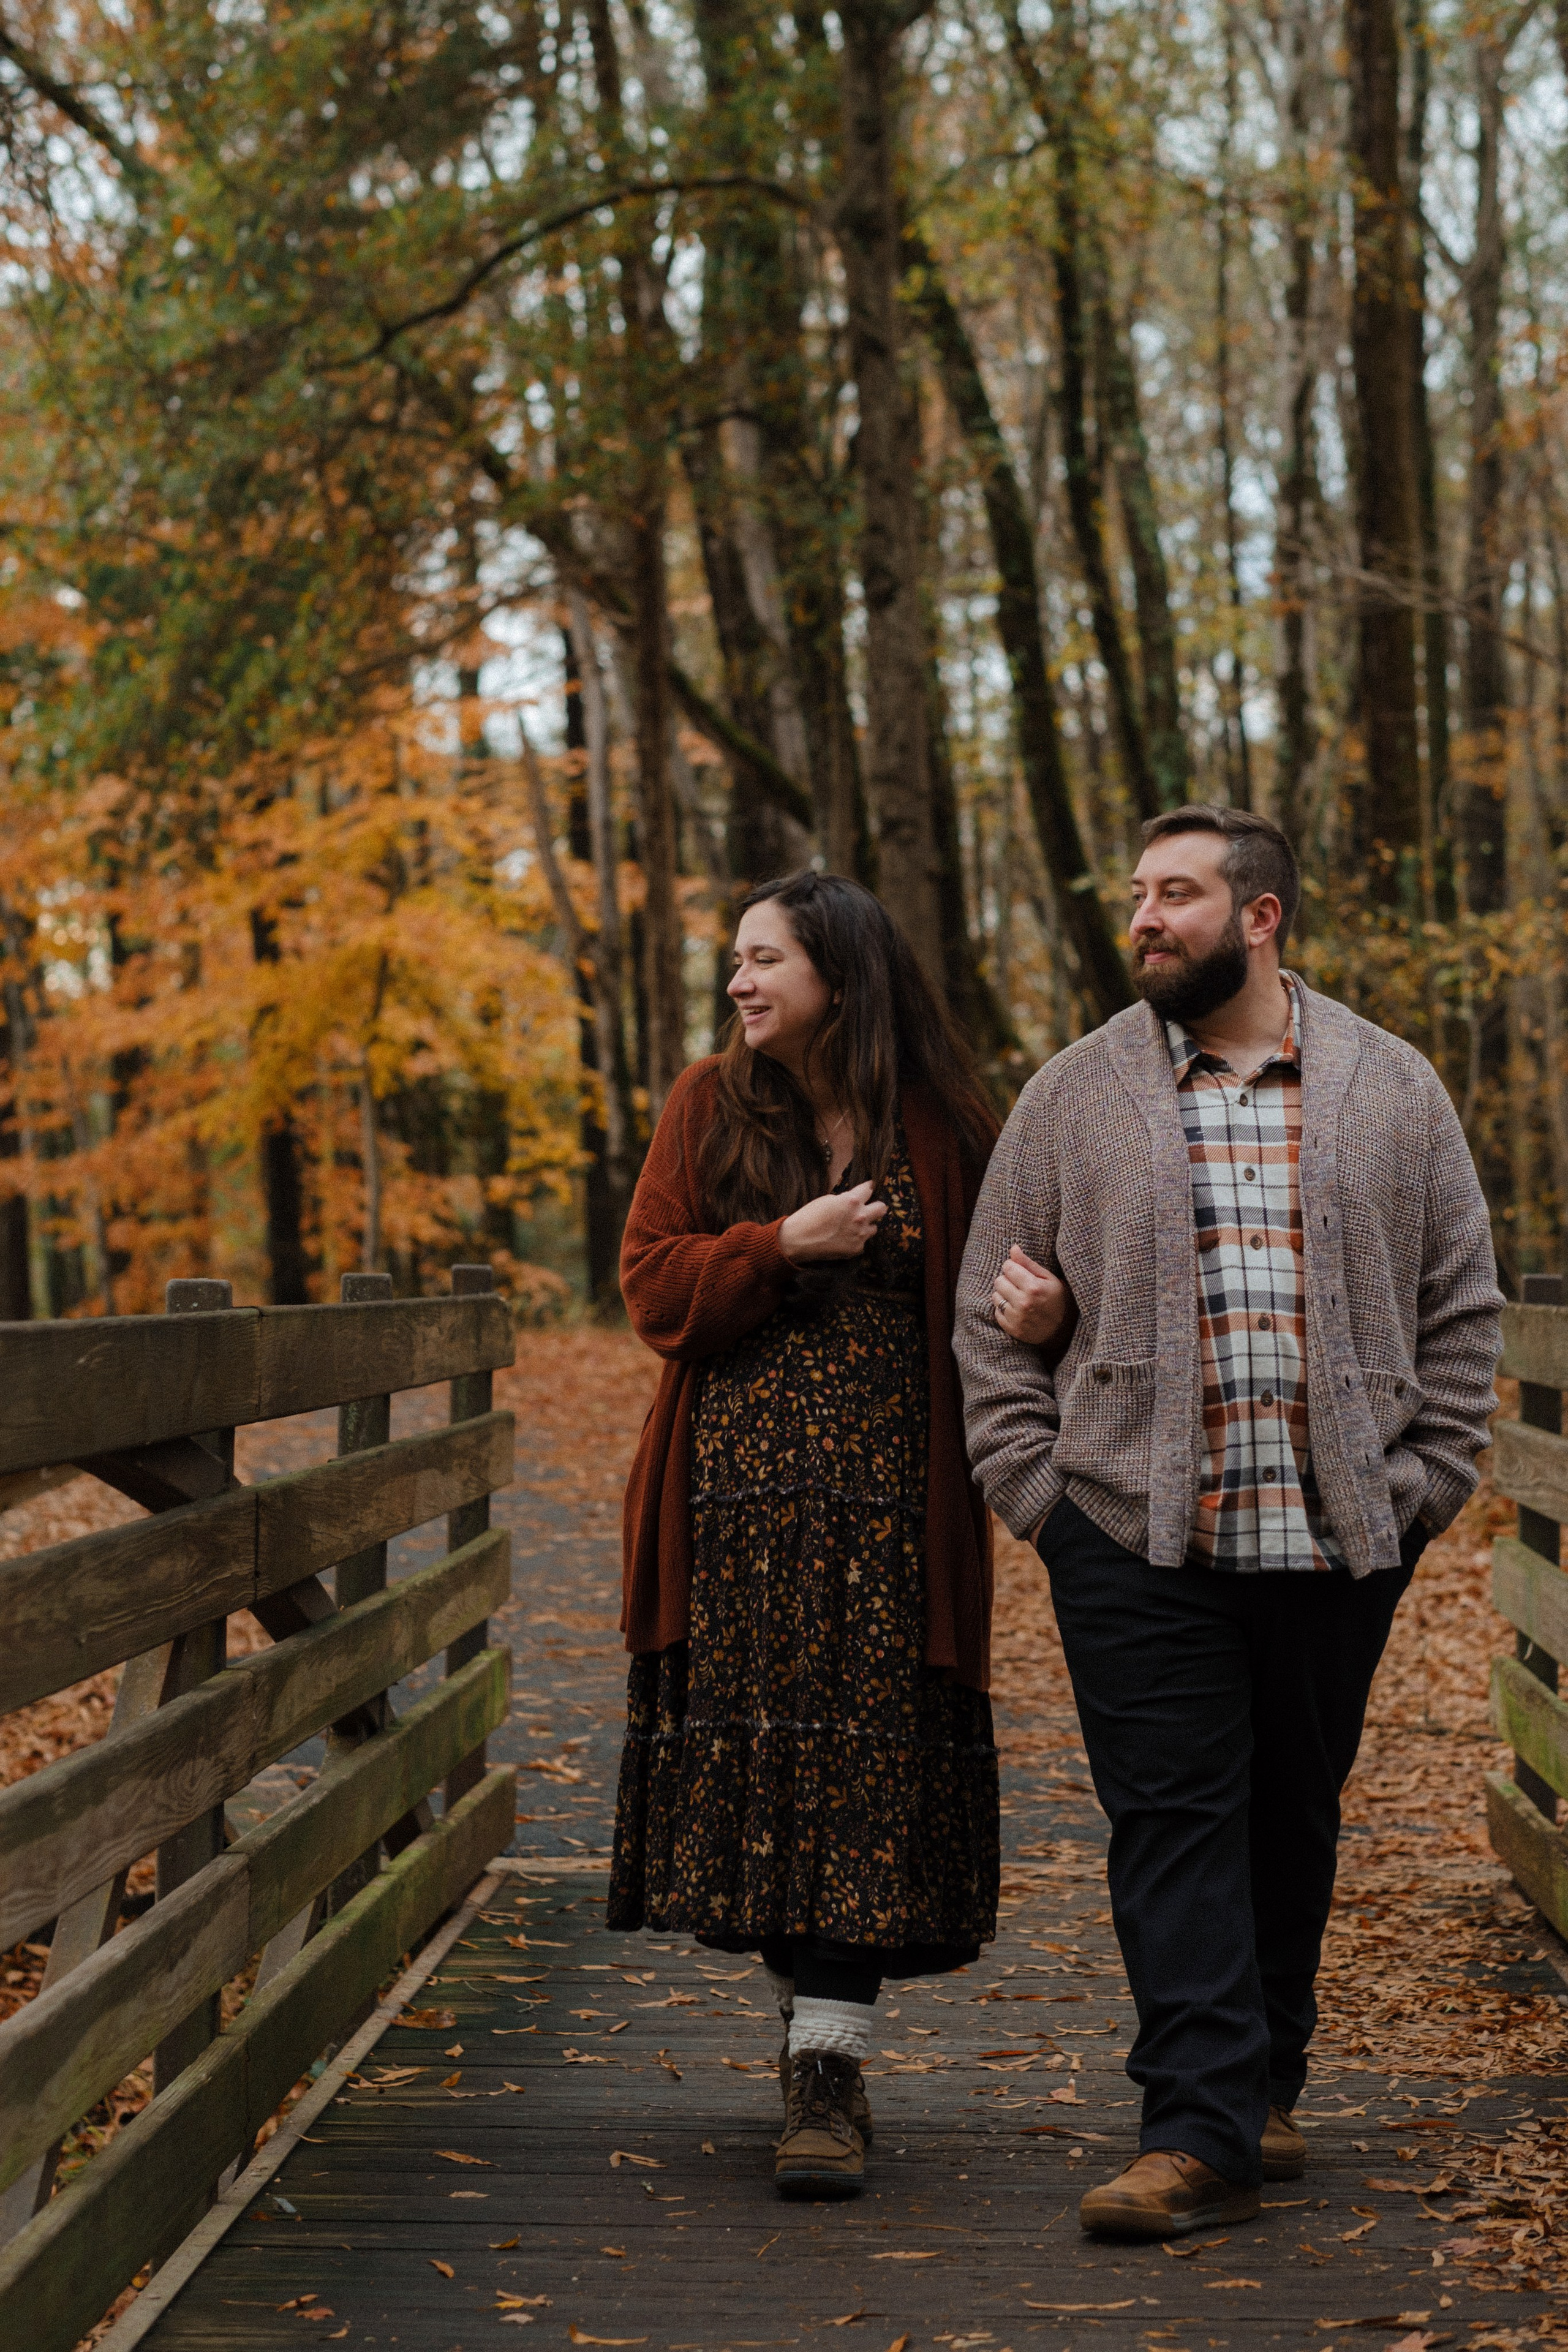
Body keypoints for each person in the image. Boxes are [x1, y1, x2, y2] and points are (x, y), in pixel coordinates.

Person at [954, 805, 1502, 2241]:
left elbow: (1460, 1304)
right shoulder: (1072, 1095)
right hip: (1133, 1538)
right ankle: (1193, 2130)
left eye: (1177, 894)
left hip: (1336, 1536)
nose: (1143, 917)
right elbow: (987, 1310)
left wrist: (1422, 1485)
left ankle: (1262, 2083)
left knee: (1287, 1816)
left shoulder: (1390, 1086)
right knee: (1172, 1820)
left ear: (1259, 917)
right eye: (1137, 893)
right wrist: (1040, 1499)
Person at [608, 871, 1038, 2201]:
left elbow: (1015, 1284)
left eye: (765, 960)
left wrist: (1050, 1317)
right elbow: (649, 1285)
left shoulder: (942, 1123)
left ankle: (826, 2076)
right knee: (773, 1793)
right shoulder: (707, 1104)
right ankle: (811, 2032)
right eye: (735, 960)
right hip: (731, 1524)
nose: (739, 982)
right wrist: (776, 1245)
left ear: (838, 976)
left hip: (893, 1525)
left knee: (865, 1784)